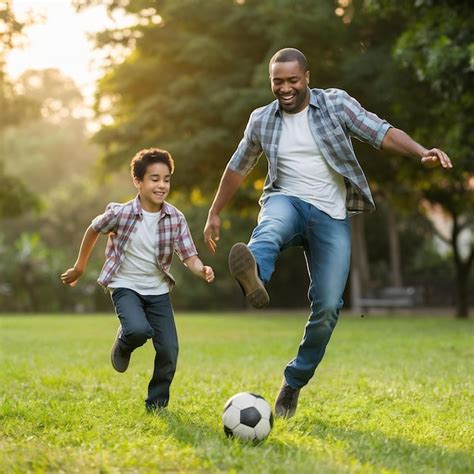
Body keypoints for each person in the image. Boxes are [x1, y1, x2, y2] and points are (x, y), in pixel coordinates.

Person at [203, 48, 452, 418]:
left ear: (306, 77)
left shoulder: (335, 104)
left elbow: (379, 131)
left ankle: (293, 383)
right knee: (269, 229)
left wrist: (420, 152)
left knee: (329, 307)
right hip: (285, 200)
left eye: (292, 81)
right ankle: (256, 277)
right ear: (270, 82)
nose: (285, 89)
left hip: (331, 214)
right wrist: (214, 211)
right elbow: (238, 166)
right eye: (277, 82)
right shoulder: (261, 120)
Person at [61, 148, 215, 412]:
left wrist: (202, 270)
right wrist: (79, 266)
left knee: (169, 349)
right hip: (124, 286)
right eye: (154, 179)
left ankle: (156, 404)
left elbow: (189, 256)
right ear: (138, 182)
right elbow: (93, 229)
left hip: (158, 292)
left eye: (166, 179)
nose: (162, 185)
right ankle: (124, 343)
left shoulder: (175, 218)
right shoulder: (120, 213)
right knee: (137, 330)